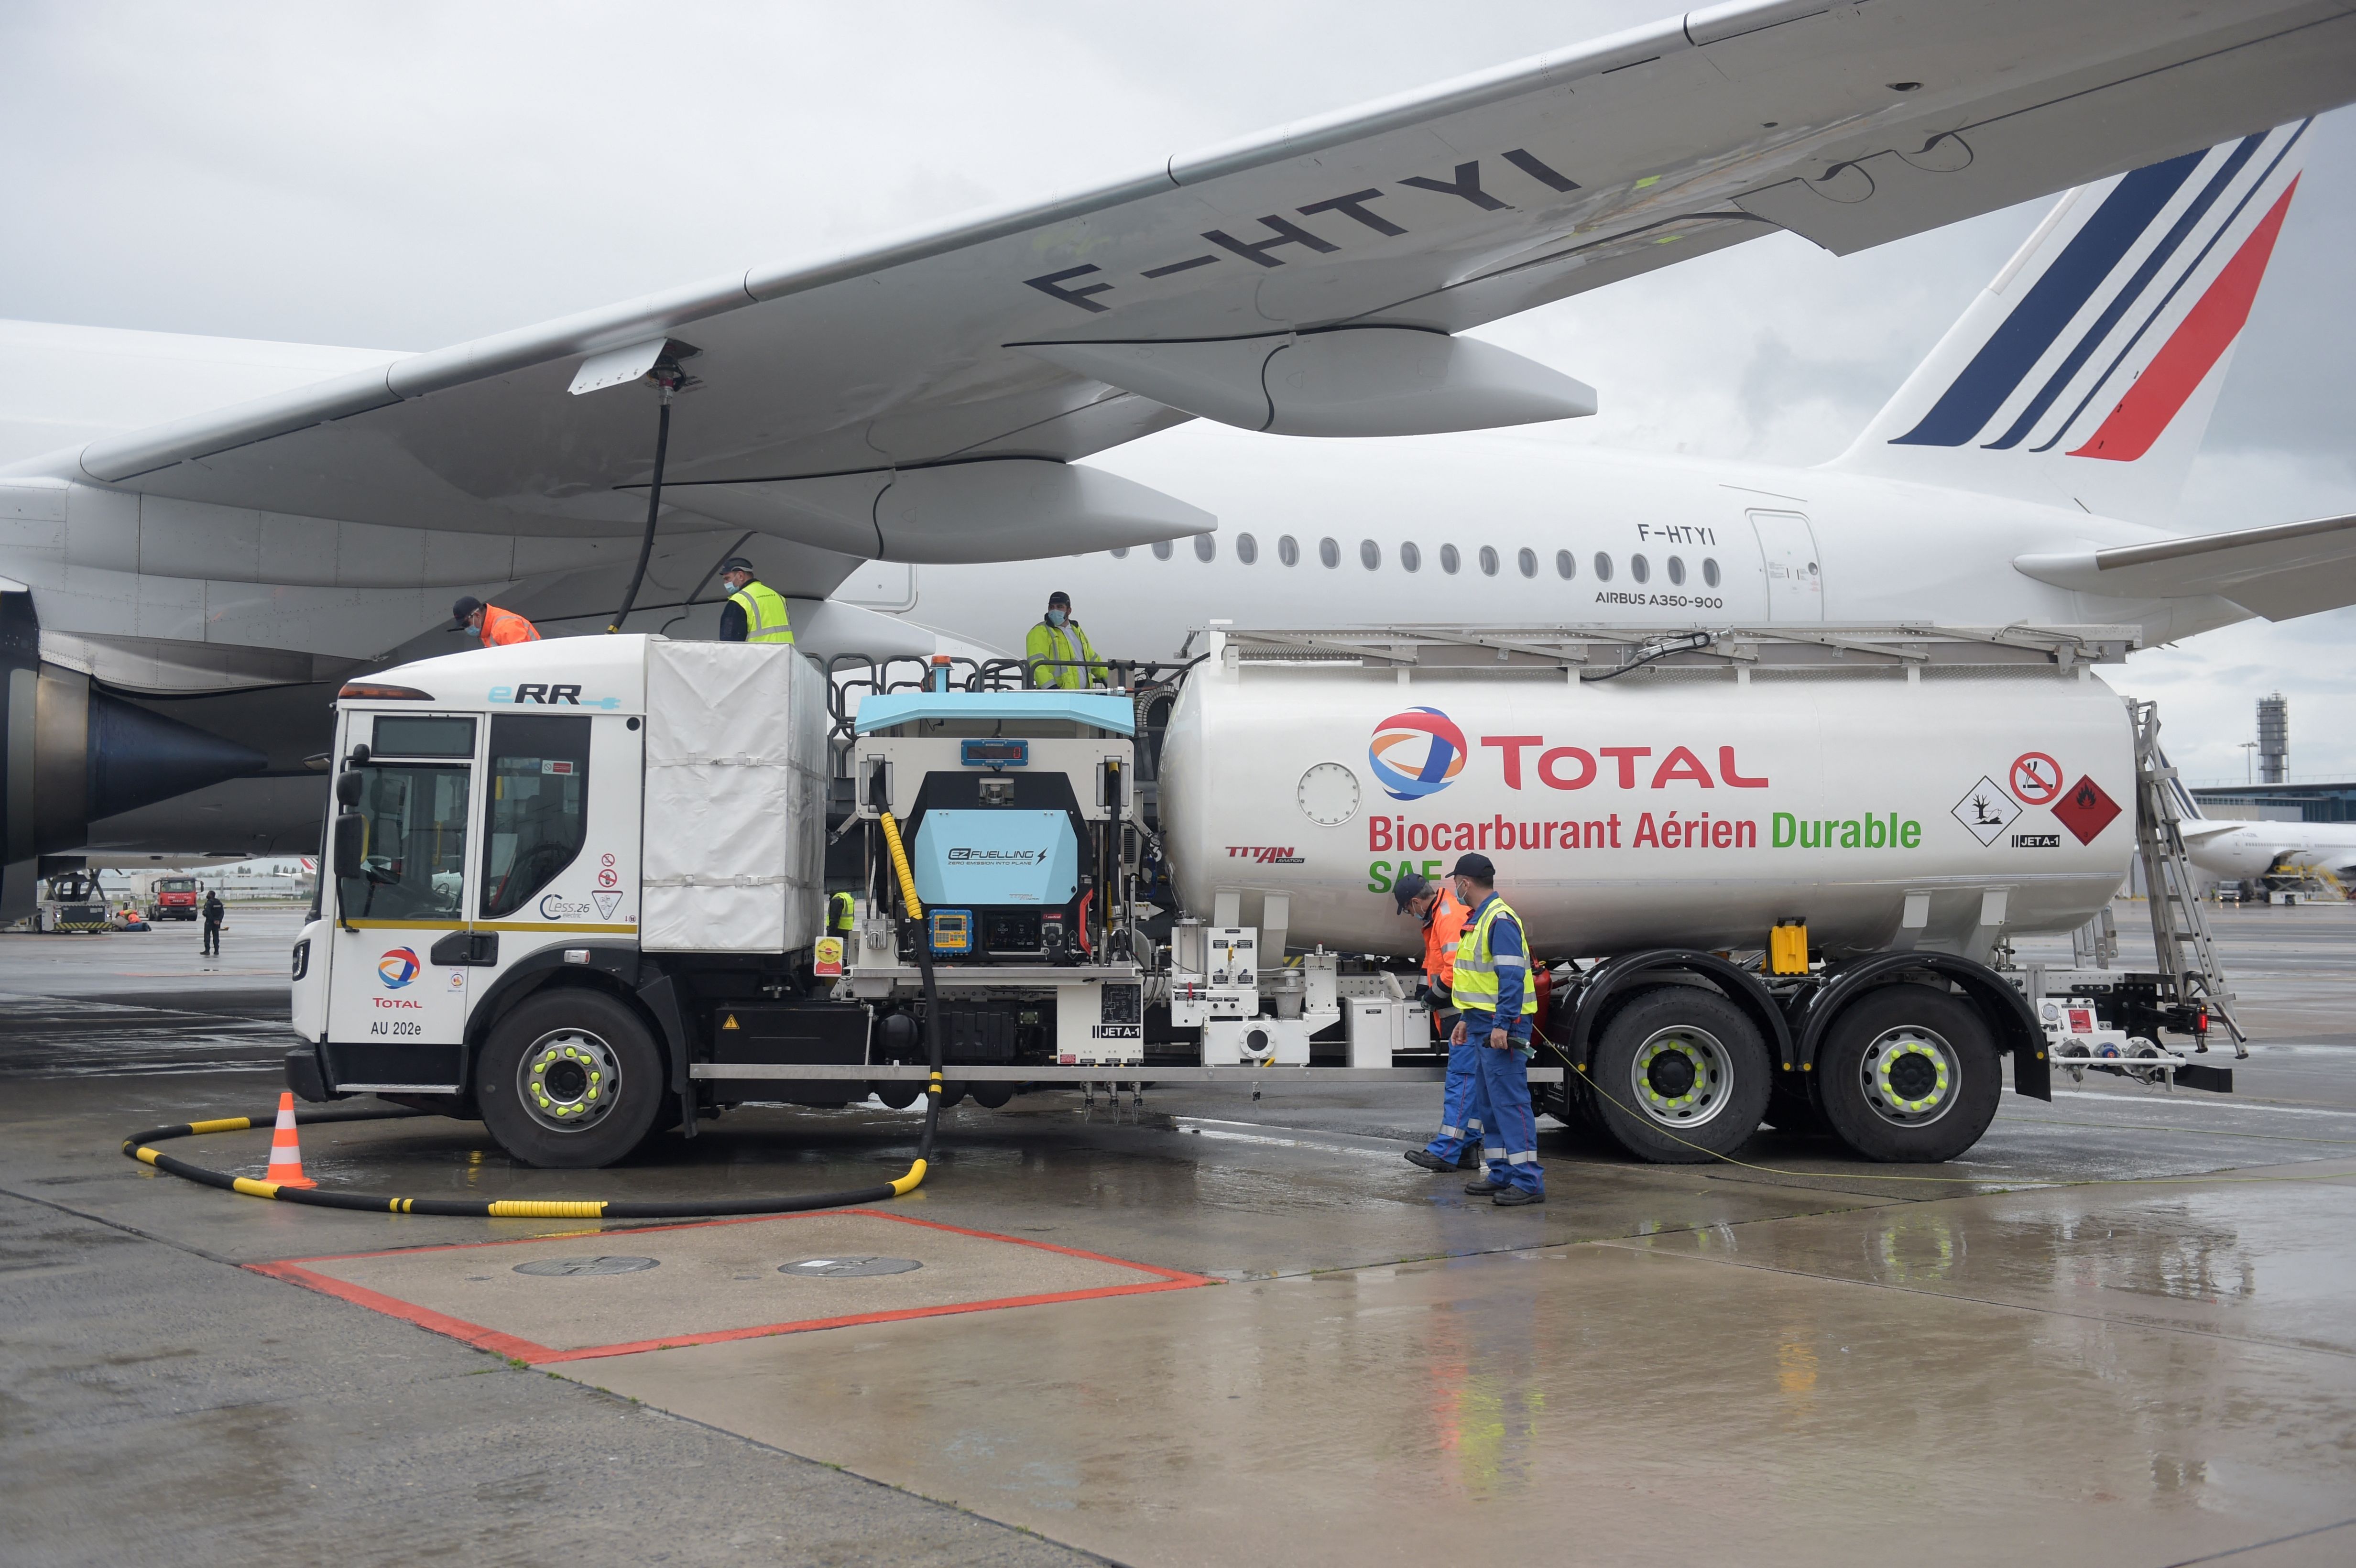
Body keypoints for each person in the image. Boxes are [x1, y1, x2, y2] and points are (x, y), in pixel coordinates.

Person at [1440, 853, 1543, 1206]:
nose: (1454, 887)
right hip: (1484, 1024)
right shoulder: (1481, 919)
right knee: (1490, 1104)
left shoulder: (1498, 920)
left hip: (1503, 1026)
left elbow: (1512, 977)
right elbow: (1480, 980)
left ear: (1465, 883)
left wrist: (1503, 1024)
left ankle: (1528, 1181)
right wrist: (1468, 1018)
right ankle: (1501, 1173)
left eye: (1456, 881)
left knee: (1511, 1103)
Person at [1396, 871, 1481, 1174]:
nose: (1411, 914)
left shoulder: (1446, 916)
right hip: (1459, 1013)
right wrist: (1423, 989)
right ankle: (1468, 1151)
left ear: (1416, 902)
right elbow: (1435, 962)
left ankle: (1445, 1152)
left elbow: (1455, 970)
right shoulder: (1440, 914)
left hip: (1462, 1014)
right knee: (1468, 1082)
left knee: (1462, 1081)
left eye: (1408, 909)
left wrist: (1432, 995)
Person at [1025, 591, 1105, 689]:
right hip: (1057, 696)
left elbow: (1093, 660)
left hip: (1082, 695)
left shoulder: (1077, 631)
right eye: (1051, 607)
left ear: (1069, 610)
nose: (1055, 611)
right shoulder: (1040, 631)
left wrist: (1111, 680)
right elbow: (1037, 664)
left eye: (1060, 607)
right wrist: (1051, 688)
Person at [715, 558, 795, 644]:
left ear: (740, 576)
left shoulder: (739, 601)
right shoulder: (778, 597)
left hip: (759, 657)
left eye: (727, 579)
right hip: (786, 655)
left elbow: (730, 643)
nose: (725, 583)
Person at [452, 596, 540, 647]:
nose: (466, 628)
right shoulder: (487, 629)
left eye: (466, 624)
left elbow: (523, 662)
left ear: (477, 615)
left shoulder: (506, 627)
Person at [200, 889, 225, 957]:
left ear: (211, 895)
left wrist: (212, 919)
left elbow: (208, 913)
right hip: (217, 923)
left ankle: (207, 951)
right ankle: (216, 951)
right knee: (216, 936)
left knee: (207, 936)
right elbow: (222, 913)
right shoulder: (219, 902)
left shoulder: (209, 903)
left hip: (210, 922)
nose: (207, 895)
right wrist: (219, 920)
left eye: (208, 894)